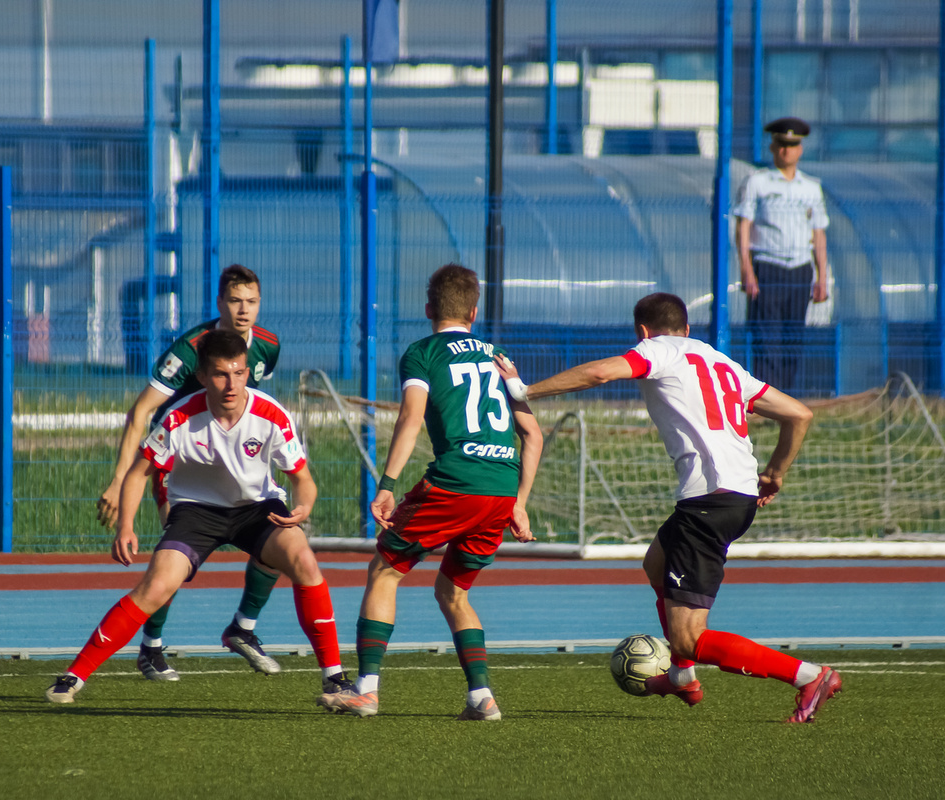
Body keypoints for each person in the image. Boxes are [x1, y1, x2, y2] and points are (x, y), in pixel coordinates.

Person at [497, 292, 842, 723]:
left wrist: (524, 389)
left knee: (688, 638)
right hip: (733, 496)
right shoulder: (722, 363)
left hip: (709, 501)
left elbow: (601, 372)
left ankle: (810, 676)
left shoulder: (657, 350)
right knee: (655, 564)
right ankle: (682, 677)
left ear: (643, 332)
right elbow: (799, 414)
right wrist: (775, 472)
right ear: (687, 328)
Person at [48, 330, 351, 703]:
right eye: (221, 374)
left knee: (304, 560)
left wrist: (303, 507)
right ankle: (73, 676)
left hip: (257, 509)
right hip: (196, 512)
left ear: (247, 372)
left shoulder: (271, 414)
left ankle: (335, 679)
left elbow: (303, 480)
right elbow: (139, 473)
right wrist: (125, 526)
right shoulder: (179, 416)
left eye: (238, 373)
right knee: (156, 587)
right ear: (203, 376)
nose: (231, 384)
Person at [316, 264, 543, 721]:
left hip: (455, 481)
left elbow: (411, 417)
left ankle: (366, 690)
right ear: (474, 312)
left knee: (384, 570)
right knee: (453, 591)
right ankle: (482, 697)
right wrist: (519, 503)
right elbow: (532, 436)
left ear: (427, 309)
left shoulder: (423, 353)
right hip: (501, 489)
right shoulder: (500, 357)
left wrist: (386, 485)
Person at [97, 264, 283, 681]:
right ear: (219, 302)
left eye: (251, 301)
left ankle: (244, 628)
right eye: (234, 300)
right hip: (179, 459)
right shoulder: (189, 350)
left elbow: (251, 404)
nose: (243, 309)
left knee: (281, 534)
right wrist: (119, 479)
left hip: (231, 458)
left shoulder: (268, 346)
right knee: (175, 558)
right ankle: (151, 647)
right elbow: (141, 411)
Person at [734, 116, 830, 392]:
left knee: (793, 337)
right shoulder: (757, 182)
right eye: (782, 144)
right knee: (766, 338)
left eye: (792, 145)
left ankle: (786, 396)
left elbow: (819, 234)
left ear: (800, 149)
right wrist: (746, 269)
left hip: (800, 269)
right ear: (773, 147)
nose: (787, 150)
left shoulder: (811, 188)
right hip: (768, 266)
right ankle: (767, 398)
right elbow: (743, 226)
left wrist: (822, 277)